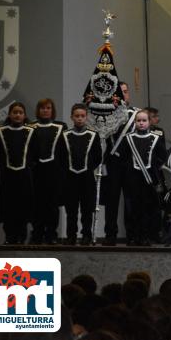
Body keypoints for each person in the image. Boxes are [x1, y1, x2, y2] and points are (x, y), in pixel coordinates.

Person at [0, 102, 37, 245]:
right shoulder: (1, 131)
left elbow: (36, 153)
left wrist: (28, 166)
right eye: (15, 112)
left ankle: (22, 236)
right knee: (8, 206)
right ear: (10, 114)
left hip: (24, 176)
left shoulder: (31, 131)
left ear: (24, 115)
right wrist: (4, 167)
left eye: (20, 112)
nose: (17, 115)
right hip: (7, 177)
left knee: (23, 206)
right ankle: (9, 236)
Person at [120, 110, 168, 246]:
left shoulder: (156, 138)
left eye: (144, 120)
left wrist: (154, 168)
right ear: (135, 122)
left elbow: (162, 157)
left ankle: (147, 236)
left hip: (149, 179)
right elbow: (123, 158)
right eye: (138, 121)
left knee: (149, 208)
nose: (141, 123)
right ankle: (134, 236)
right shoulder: (128, 138)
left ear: (149, 122)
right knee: (133, 209)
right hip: (132, 179)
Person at [57, 103, 102, 245]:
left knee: (87, 210)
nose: (80, 119)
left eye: (82, 116)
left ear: (86, 117)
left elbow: (97, 156)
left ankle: (86, 235)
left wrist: (88, 168)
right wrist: (67, 171)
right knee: (71, 211)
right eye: (77, 116)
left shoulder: (93, 135)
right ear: (72, 117)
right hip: (70, 179)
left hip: (87, 178)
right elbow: (60, 157)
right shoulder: (65, 136)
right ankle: (71, 236)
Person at [102, 81, 138, 246]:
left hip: (131, 163)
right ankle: (110, 235)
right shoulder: (106, 115)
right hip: (112, 162)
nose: (123, 94)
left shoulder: (137, 115)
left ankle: (132, 234)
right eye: (119, 92)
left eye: (125, 91)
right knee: (111, 201)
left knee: (131, 201)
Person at [29, 98, 68, 244]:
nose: (45, 110)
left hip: (54, 173)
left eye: (48, 108)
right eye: (42, 108)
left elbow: (64, 152)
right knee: (36, 204)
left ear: (53, 110)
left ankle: (51, 234)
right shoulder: (31, 127)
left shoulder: (61, 126)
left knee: (52, 205)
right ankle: (37, 233)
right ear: (38, 110)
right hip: (36, 172)